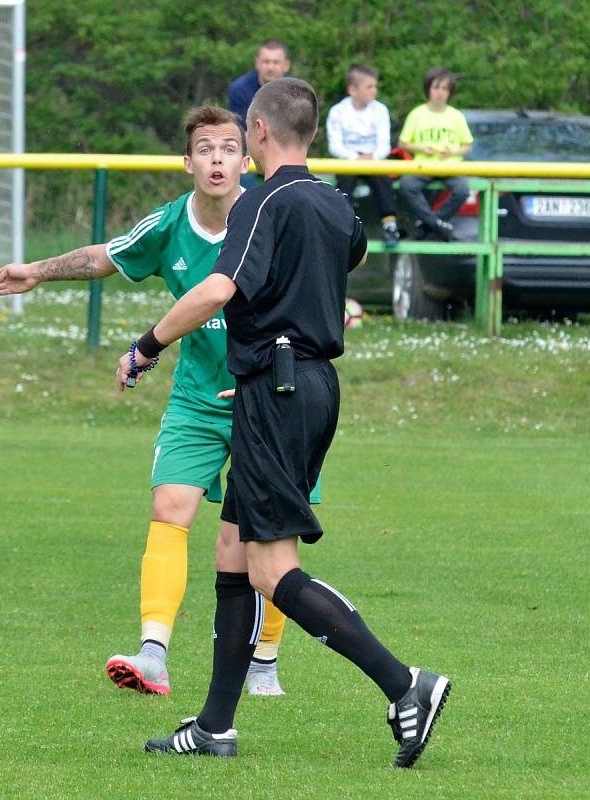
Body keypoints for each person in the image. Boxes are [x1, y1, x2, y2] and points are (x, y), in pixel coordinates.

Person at [120, 78, 451, 768]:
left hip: (276, 385)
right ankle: (213, 727)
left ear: (259, 134)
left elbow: (216, 288)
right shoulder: (333, 204)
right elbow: (346, 256)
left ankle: (405, 684)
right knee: (232, 555)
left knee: (272, 569)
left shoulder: (261, 200)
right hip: (310, 382)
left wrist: (147, 345)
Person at [0, 105, 299, 698]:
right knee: (169, 506)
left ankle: (264, 660)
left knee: (259, 536)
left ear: (246, 158)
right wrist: (36, 271)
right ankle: (153, 652)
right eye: (205, 149)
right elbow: (106, 255)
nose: (216, 160)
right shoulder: (171, 223)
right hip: (196, 400)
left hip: (267, 395)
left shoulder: (270, 215)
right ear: (187, 162)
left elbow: (314, 284)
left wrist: (278, 366)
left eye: (229, 149)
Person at [326, 64, 400, 246]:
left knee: (382, 178)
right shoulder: (338, 112)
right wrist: (355, 158)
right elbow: (335, 146)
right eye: (369, 87)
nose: (374, 91)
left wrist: (372, 157)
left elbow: (384, 144)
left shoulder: (380, 110)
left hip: (372, 160)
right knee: (345, 180)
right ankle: (345, 226)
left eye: (375, 86)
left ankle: (390, 225)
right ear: (353, 90)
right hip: (349, 160)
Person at [398, 66, 474, 241]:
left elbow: (467, 146)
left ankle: (428, 224)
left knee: (462, 190)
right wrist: (421, 148)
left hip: (450, 166)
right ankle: (437, 224)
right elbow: (403, 143)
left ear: (450, 92)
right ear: (428, 89)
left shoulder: (456, 116)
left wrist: (453, 151)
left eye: (445, 89)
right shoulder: (417, 114)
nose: (440, 93)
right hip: (423, 165)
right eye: (436, 88)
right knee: (407, 185)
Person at [229, 38, 291, 188]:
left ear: (286, 65)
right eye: (266, 61)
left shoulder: (296, 91)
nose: (270, 67)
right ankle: (246, 206)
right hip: (252, 147)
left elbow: (296, 132)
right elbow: (243, 132)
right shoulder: (240, 88)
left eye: (275, 62)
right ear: (257, 63)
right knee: (241, 166)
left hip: (286, 147)